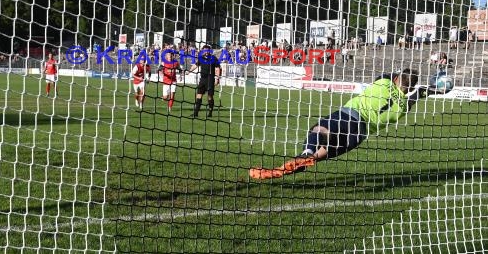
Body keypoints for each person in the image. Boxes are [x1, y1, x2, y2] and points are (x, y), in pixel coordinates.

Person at [249, 69, 441, 180]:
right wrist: (426, 91)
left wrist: (403, 79)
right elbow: (412, 99)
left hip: (349, 115)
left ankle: (306, 153)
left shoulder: (384, 82)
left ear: (398, 78)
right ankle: (301, 162)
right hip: (360, 134)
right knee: (324, 152)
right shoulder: (403, 109)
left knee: (319, 129)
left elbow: (388, 76)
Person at [187, 45, 221, 118]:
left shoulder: (213, 58)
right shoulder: (201, 58)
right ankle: (196, 113)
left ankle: (210, 112)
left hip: (210, 79)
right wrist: (189, 71)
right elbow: (195, 65)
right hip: (202, 79)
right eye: (204, 50)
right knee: (199, 95)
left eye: (207, 50)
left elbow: (218, 68)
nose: (206, 52)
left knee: (210, 96)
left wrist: (217, 79)